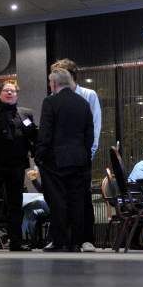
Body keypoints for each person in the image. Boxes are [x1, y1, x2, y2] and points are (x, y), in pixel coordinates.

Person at [35, 68, 93, 252]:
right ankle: (77, 241)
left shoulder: (50, 101)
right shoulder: (83, 103)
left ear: (54, 83)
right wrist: (84, 155)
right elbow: (89, 134)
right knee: (77, 200)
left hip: (55, 161)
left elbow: (46, 131)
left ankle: (59, 240)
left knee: (57, 200)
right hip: (79, 159)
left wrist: (40, 154)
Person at [0, 80, 37, 251]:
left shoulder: (25, 114)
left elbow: (33, 135)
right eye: (6, 90)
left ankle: (16, 242)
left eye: (13, 91)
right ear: (0, 93)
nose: (10, 93)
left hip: (17, 164)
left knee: (15, 204)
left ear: (17, 94)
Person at [50, 59, 101, 252]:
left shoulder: (88, 95)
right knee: (59, 199)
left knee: (83, 199)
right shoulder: (54, 96)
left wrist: (89, 154)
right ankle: (60, 238)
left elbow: (95, 126)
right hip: (60, 158)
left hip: (81, 155)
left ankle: (86, 238)